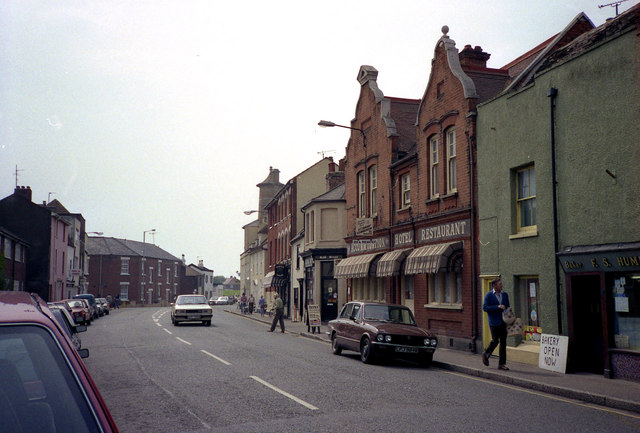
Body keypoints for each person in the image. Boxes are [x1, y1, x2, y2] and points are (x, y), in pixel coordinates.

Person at [482, 278, 510, 370]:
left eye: (501, 284)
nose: (501, 286)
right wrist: (497, 307)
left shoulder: (505, 295)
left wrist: (506, 309)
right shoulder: (489, 295)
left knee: (503, 342)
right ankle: (486, 354)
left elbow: (507, 306)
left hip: (503, 321)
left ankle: (501, 364)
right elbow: (485, 308)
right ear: (494, 286)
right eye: (500, 284)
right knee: (495, 340)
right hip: (493, 322)